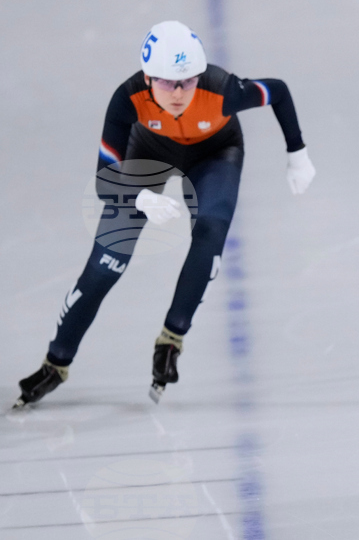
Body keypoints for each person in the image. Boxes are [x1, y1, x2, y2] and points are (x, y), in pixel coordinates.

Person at [13, 20, 315, 407]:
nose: (177, 92)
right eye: (167, 82)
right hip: (148, 155)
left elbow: (279, 92)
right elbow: (106, 180)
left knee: (210, 230)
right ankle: (55, 363)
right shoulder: (126, 98)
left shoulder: (222, 90)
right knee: (105, 265)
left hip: (215, 153)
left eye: (188, 81)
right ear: (147, 77)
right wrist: (139, 198)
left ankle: (172, 339)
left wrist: (297, 153)